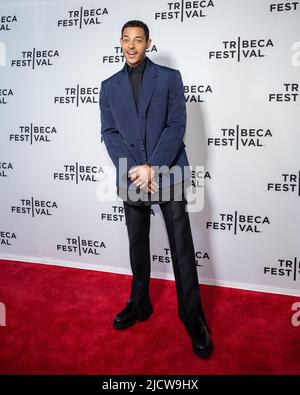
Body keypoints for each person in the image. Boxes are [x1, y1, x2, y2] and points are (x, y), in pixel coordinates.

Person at [99, 20, 212, 358]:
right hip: (132, 175)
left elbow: (177, 125)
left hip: (168, 172)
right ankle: (140, 302)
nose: (132, 45)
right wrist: (136, 170)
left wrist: (153, 167)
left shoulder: (169, 78)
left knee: (181, 249)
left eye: (139, 40)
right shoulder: (108, 86)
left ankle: (193, 318)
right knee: (137, 245)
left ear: (149, 43)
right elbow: (109, 132)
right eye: (126, 39)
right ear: (119, 42)